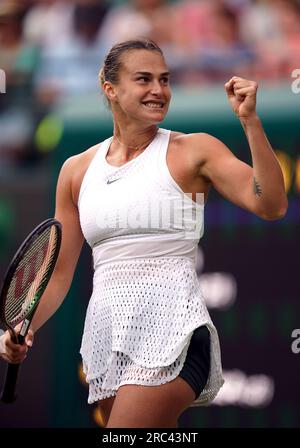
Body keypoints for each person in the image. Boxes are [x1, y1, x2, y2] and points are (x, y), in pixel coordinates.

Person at [0, 39, 287, 428]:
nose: (159, 90)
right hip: (108, 341)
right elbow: (59, 272)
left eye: (165, 79)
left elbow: (271, 204)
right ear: (110, 89)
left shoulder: (194, 150)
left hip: (176, 331)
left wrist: (250, 121)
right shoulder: (76, 170)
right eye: (144, 79)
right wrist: (24, 327)